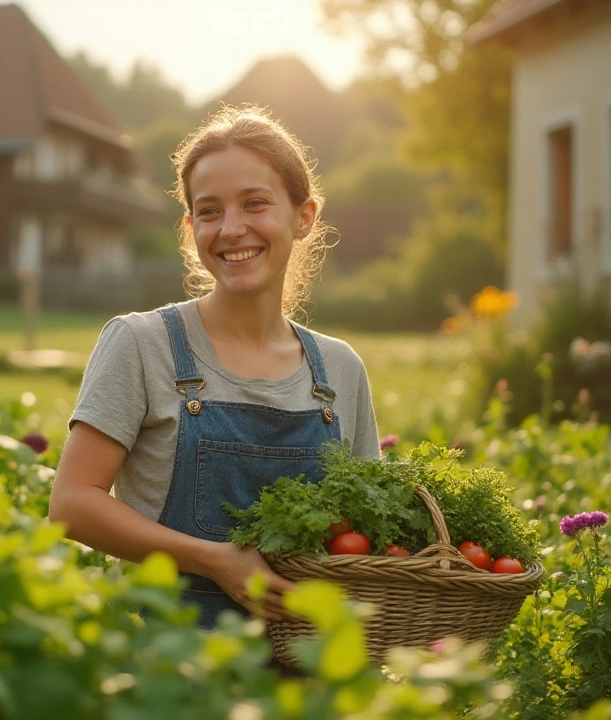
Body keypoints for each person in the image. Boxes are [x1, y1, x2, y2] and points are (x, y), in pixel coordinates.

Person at [49, 105, 380, 630]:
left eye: (255, 203)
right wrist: (212, 559)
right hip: (167, 666)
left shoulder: (339, 369)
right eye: (208, 211)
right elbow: (71, 503)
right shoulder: (142, 344)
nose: (231, 229)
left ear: (304, 216)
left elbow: (366, 532)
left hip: (305, 674)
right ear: (190, 227)